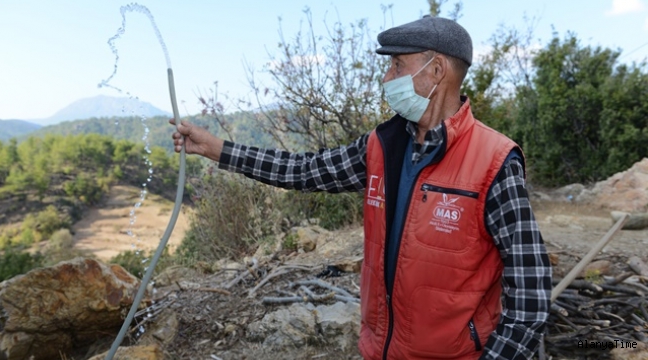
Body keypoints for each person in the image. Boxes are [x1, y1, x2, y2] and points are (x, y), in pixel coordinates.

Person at [171, 15, 552, 360]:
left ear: (436, 71)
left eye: (397, 65)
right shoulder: (381, 146)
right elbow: (305, 170)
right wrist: (217, 150)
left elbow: (530, 297)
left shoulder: (494, 161)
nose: (387, 77)